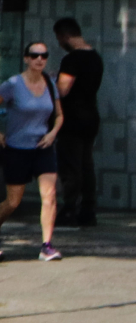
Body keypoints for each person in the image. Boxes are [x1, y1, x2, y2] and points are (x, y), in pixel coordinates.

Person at [0, 39, 63, 262]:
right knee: (13, 201)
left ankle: (46, 245)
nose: (39, 59)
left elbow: (59, 115)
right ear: (26, 58)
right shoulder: (13, 84)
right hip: (17, 148)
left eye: (44, 55)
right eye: (34, 55)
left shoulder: (50, 83)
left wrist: (52, 134)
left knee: (49, 195)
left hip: (43, 147)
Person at [53, 17, 104, 228]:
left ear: (65, 35)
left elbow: (63, 89)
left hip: (72, 118)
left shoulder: (72, 59)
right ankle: (88, 209)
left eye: (59, 38)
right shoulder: (95, 57)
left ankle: (69, 209)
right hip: (91, 116)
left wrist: (52, 82)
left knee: (70, 166)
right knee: (86, 164)